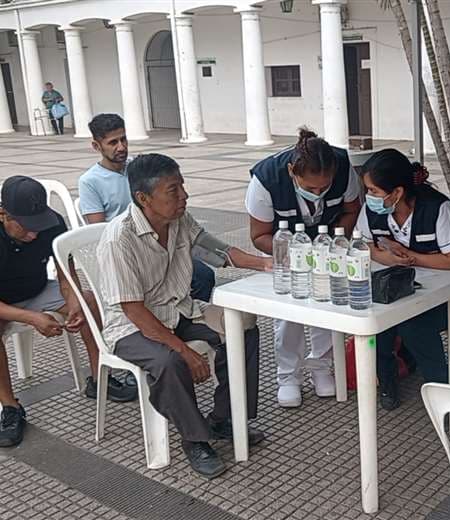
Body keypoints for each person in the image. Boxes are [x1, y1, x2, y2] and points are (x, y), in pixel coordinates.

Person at [97, 153, 271, 478]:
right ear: (143, 198)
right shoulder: (119, 240)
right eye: (173, 190)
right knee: (169, 363)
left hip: (179, 310)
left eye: (183, 186)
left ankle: (224, 419)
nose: (184, 197)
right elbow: (133, 309)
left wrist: (266, 263)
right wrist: (183, 349)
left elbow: (217, 250)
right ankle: (194, 438)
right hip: (133, 327)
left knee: (243, 326)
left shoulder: (179, 220)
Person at [0, 176, 137, 447]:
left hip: (37, 289)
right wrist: (33, 318)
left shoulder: (51, 222)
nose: (34, 234)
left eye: (38, 226)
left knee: (89, 302)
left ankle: (99, 379)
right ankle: (11, 407)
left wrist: (73, 300)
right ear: (3, 213)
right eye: (26, 227)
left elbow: (65, 273)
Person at [356, 149, 450, 410]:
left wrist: (411, 257)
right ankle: (386, 377)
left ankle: (443, 389)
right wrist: (389, 258)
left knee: (414, 322)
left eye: (373, 191)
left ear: (397, 193)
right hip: (409, 283)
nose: (368, 197)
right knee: (376, 316)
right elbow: (361, 245)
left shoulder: (439, 209)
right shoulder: (373, 211)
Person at [246, 127, 361, 407]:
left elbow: (351, 211)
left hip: (326, 250)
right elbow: (259, 236)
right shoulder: (265, 180)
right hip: (288, 255)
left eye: (324, 187)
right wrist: (295, 252)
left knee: (328, 304)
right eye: (310, 188)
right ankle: (288, 377)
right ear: (291, 172)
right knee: (289, 314)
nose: (318, 193)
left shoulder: (344, 168)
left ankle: (322, 368)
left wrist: (332, 244)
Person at [79, 114, 216, 303]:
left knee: (203, 274)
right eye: (113, 142)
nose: (122, 147)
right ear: (96, 146)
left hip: (163, 241)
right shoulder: (90, 182)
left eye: (124, 139)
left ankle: (184, 315)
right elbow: (98, 231)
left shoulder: (139, 168)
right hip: (130, 250)